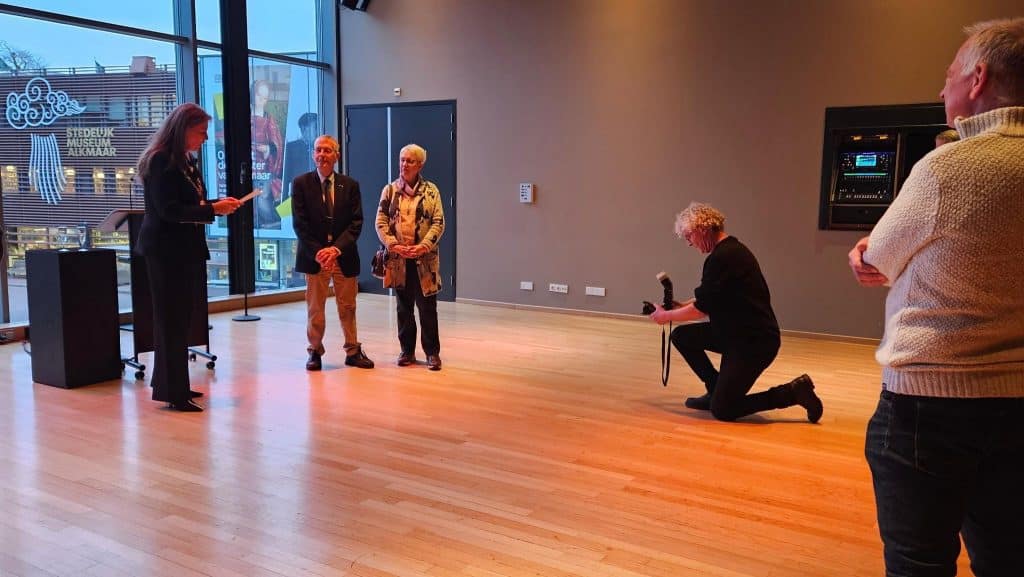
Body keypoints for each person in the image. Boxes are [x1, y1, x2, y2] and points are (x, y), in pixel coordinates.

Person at [848, 17, 1024, 577]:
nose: (942, 90)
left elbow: (877, 259)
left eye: (949, 76)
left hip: (930, 403)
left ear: (978, 78)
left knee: (918, 562)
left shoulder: (948, 168)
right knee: (1007, 557)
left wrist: (865, 252)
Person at [649, 202, 822, 423]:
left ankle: (793, 392)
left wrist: (665, 316)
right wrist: (681, 305)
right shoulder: (729, 251)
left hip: (754, 342)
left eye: (688, 236)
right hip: (734, 333)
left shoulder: (723, 257)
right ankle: (714, 388)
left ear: (702, 229)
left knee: (724, 409)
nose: (689, 243)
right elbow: (713, 297)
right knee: (682, 336)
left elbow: (701, 310)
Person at [135, 103, 241, 412]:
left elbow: (191, 202)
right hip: (166, 251)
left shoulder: (185, 161)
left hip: (184, 249)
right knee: (171, 320)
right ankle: (174, 392)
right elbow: (169, 210)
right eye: (201, 132)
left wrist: (216, 204)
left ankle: (174, 385)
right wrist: (212, 210)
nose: (205, 138)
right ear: (183, 130)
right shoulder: (160, 161)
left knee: (180, 319)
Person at [291, 134, 374, 371]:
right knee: (315, 308)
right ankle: (314, 351)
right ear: (313, 154)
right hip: (314, 257)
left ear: (336, 155)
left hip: (343, 255)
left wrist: (336, 249)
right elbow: (300, 223)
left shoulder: (350, 185)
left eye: (327, 150)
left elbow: (356, 223)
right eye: (318, 150)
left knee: (348, 306)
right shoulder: (300, 183)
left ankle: (353, 351)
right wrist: (320, 252)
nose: (322, 155)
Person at [375, 144, 446, 370]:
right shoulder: (390, 190)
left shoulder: (431, 191)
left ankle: (432, 353)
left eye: (410, 161)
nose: (404, 164)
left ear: (420, 165)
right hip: (398, 260)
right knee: (403, 308)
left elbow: (438, 222)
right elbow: (380, 222)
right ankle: (407, 351)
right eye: (402, 160)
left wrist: (424, 246)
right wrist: (393, 244)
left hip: (425, 261)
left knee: (427, 308)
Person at [250, 79, 284, 229]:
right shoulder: (243, 116)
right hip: (249, 164)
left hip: (264, 165)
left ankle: (270, 221)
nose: (261, 100)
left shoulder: (269, 119)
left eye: (264, 98)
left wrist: (268, 148)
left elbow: (277, 142)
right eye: (258, 96)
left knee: (263, 197)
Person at [283, 112, 318, 196]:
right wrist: (284, 199)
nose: (318, 131)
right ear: (304, 129)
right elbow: (285, 177)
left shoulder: (321, 148)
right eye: (315, 127)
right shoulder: (291, 148)